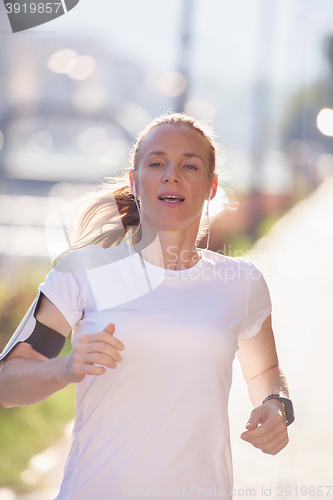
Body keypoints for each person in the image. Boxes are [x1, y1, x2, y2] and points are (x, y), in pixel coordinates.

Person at [0, 113, 294, 499]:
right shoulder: (82, 272)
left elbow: (267, 372)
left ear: (211, 186)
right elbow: (7, 384)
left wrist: (276, 406)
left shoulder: (241, 282)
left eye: (190, 165)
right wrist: (65, 367)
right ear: (134, 181)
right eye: (157, 163)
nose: (172, 175)